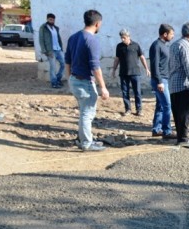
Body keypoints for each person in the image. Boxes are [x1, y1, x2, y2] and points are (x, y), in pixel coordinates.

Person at [65, 10, 109, 151]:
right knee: (87, 113)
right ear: (98, 23)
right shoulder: (91, 40)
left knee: (84, 111)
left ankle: (83, 138)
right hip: (85, 82)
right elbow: (95, 66)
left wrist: (69, 78)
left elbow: (67, 61)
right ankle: (86, 143)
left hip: (75, 80)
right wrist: (103, 87)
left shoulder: (73, 37)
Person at [168, 22, 189, 146]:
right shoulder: (186, 47)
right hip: (185, 85)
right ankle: (183, 138)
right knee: (186, 111)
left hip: (174, 85)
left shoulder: (175, 44)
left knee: (179, 112)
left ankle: (181, 137)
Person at [111, 29, 149, 116]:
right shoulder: (119, 46)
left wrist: (146, 68)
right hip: (123, 73)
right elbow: (117, 59)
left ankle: (139, 109)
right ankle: (128, 109)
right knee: (125, 92)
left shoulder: (136, 45)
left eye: (124, 37)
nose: (122, 39)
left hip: (135, 73)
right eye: (121, 38)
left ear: (128, 37)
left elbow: (142, 57)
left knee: (137, 92)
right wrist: (114, 69)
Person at [149, 23, 176, 140]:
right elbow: (155, 66)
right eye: (171, 34)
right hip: (160, 80)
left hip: (165, 79)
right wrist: (159, 81)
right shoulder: (156, 46)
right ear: (165, 34)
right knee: (167, 105)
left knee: (160, 105)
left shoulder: (165, 45)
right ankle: (167, 131)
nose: (173, 36)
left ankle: (156, 129)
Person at [39, 13, 65, 88]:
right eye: (50, 19)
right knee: (53, 67)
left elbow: (58, 38)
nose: (52, 21)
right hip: (50, 50)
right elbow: (41, 40)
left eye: (53, 19)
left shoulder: (56, 28)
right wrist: (45, 51)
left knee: (64, 64)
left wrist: (61, 48)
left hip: (58, 49)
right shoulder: (43, 28)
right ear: (47, 19)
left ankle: (58, 79)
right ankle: (54, 83)